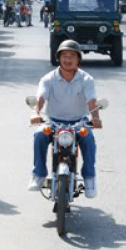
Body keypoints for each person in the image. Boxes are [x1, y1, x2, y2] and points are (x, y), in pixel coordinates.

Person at [28, 40, 102, 198]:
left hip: (79, 122)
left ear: (78, 59)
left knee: (88, 138)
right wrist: (36, 113)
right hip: (53, 121)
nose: (68, 59)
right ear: (59, 57)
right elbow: (40, 98)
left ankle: (89, 179)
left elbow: (92, 101)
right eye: (64, 55)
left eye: (72, 56)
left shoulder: (86, 79)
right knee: (39, 135)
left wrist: (95, 117)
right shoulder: (48, 78)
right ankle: (39, 175)